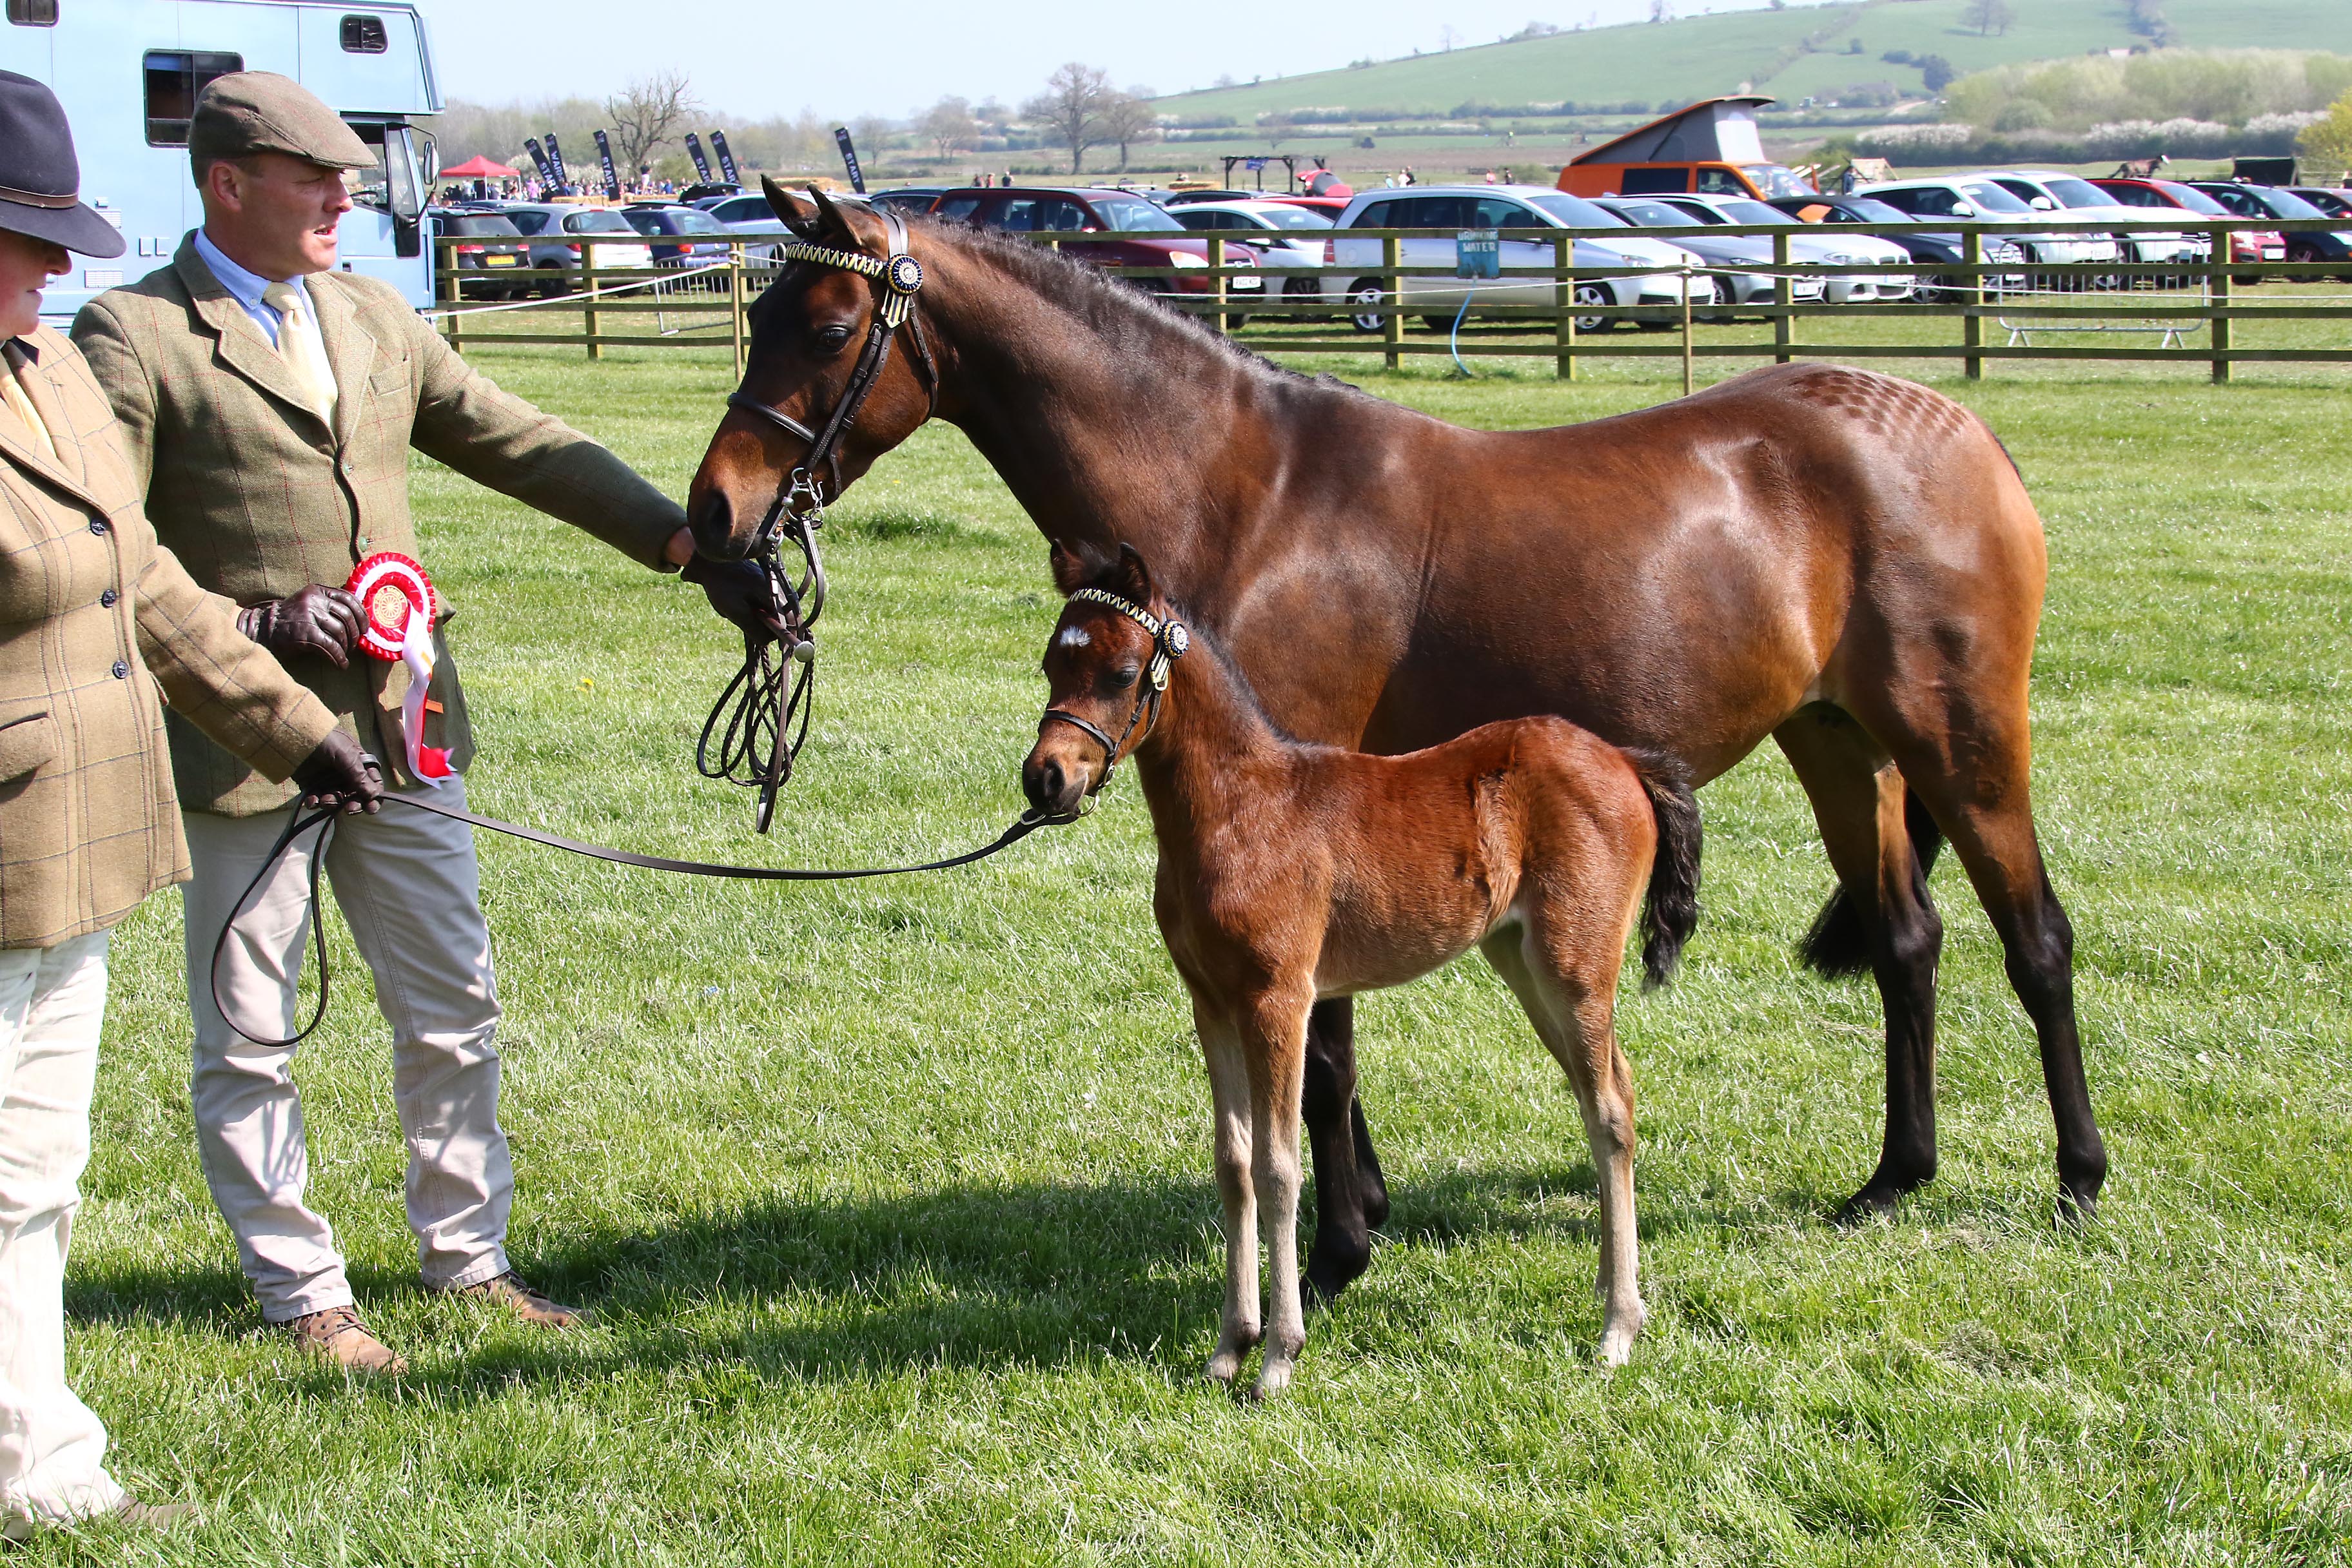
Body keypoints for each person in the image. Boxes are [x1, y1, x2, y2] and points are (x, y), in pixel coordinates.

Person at [72, 72, 779, 1375]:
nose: (349, 194)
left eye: (349, 174)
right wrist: (257, 626)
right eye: (316, 177)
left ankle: (468, 1258)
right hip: (243, 745)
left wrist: (683, 542)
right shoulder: (135, 335)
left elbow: (516, 438)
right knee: (252, 1025)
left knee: (454, 999)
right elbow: (106, 543)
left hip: (403, 726)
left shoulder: (374, 314)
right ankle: (302, 1292)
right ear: (230, 185)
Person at [0, 70, 379, 1536]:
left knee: (34, 1176)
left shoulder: (38, 373)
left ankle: (39, 1472)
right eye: (25, 237)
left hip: (67, 849)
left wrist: (298, 737)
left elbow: (149, 584)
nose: (54, 267)